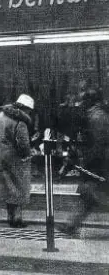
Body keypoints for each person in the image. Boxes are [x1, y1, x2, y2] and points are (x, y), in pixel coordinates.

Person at [61, 88, 109, 236]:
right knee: (88, 197)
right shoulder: (95, 115)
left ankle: (71, 226)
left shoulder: (97, 117)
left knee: (90, 195)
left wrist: (88, 161)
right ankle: (71, 226)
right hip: (98, 163)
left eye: (84, 100)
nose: (81, 103)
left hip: (100, 164)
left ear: (90, 101)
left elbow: (98, 144)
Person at [0, 93, 34, 227]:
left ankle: (10, 217)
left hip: (0, 156)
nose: (29, 113)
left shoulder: (0, 115)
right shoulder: (20, 121)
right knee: (19, 188)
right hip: (15, 159)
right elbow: (23, 144)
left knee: (8, 189)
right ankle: (17, 219)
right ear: (25, 108)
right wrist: (27, 155)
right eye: (29, 110)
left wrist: (0, 145)